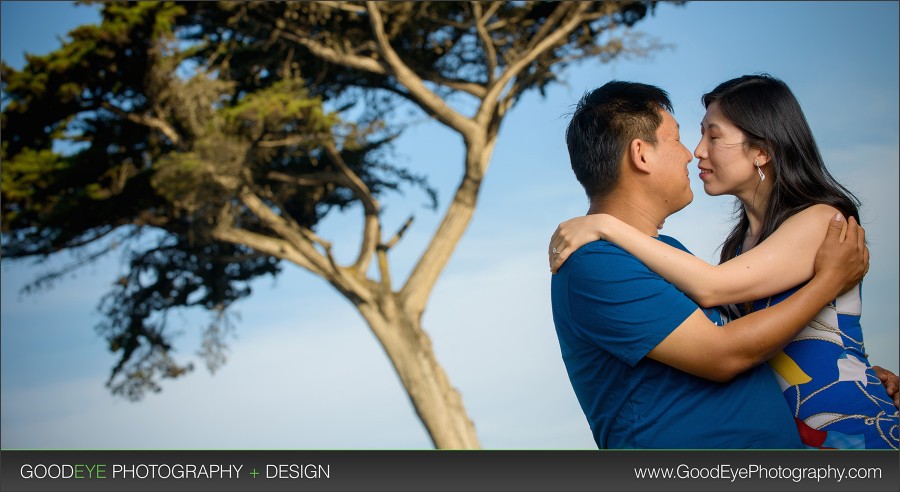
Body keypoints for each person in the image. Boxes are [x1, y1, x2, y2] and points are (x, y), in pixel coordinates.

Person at [550, 75, 899, 449]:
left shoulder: (819, 221)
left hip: (845, 430)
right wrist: (827, 286)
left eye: (712, 137)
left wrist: (858, 371)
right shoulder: (603, 263)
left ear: (761, 150)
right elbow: (729, 348)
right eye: (682, 138)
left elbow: (726, 299)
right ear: (641, 153)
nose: (694, 152)